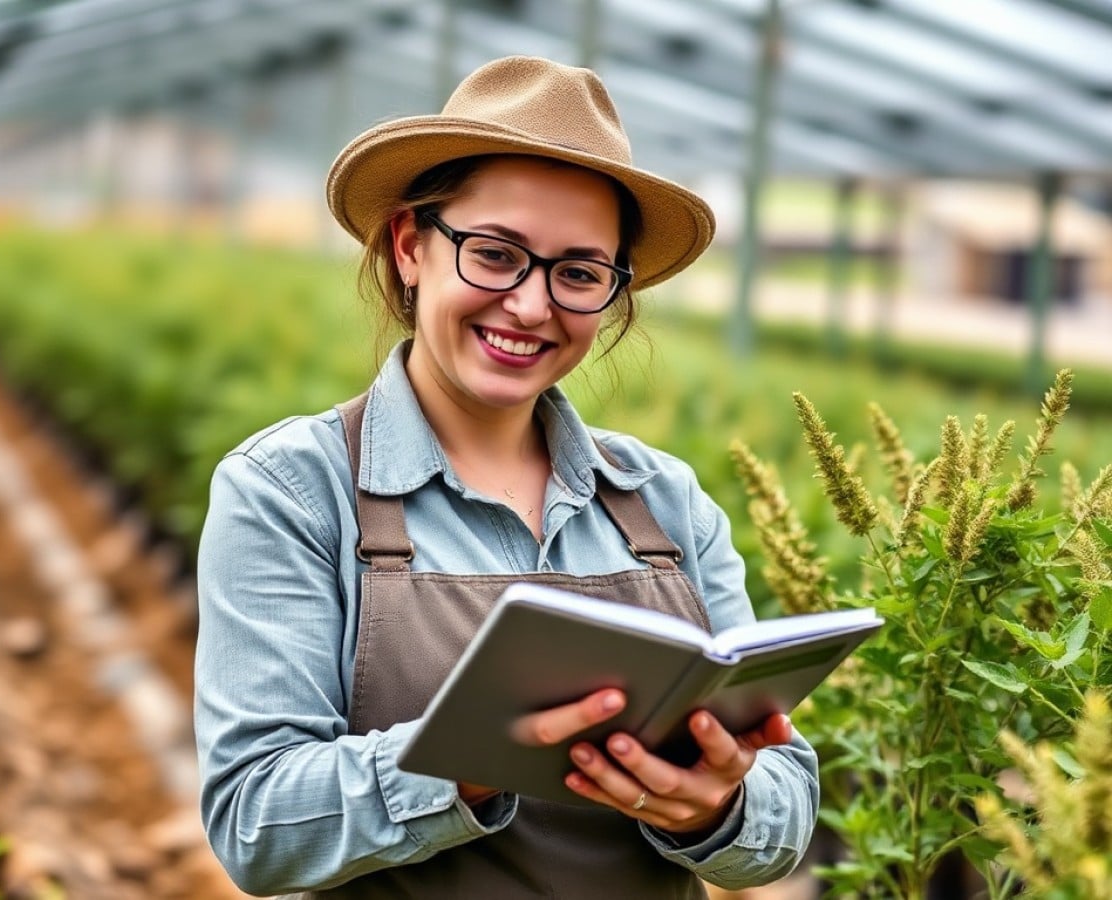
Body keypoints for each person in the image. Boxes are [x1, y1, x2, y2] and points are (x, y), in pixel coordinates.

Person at [194, 55, 819, 899]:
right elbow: (255, 823)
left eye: (579, 273)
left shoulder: (665, 504)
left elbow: (786, 807)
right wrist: (471, 762)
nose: (530, 306)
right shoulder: (294, 491)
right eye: (495, 254)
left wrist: (715, 808)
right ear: (411, 247)